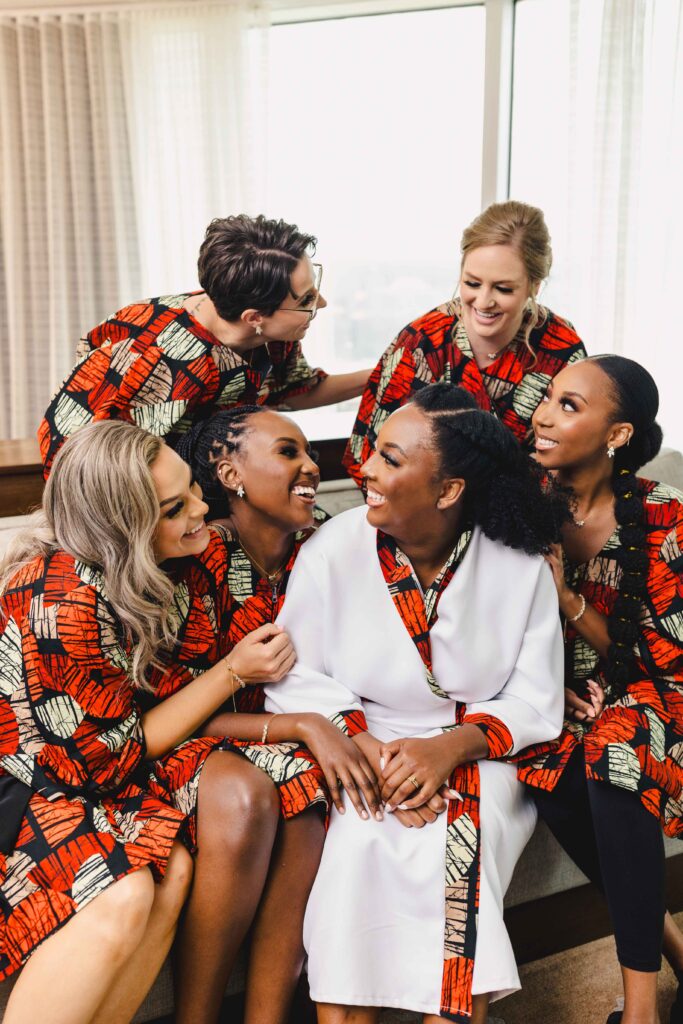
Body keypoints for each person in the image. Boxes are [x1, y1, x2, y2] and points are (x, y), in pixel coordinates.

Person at [0, 420, 377, 1024]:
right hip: (36, 784)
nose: (204, 508)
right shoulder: (64, 598)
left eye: (191, 490)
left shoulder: (168, 566)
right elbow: (110, 758)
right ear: (124, 529)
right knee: (131, 889)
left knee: (176, 869)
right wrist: (237, 676)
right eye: (177, 507)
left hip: (97, 764)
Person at [264, 383, 567, 1024]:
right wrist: (374, 755)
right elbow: (295, 676)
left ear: (449, 490)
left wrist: (445, 751)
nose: (365, 469)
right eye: (374, 451)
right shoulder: (332, 551)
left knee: (460, 856)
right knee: (357, 847)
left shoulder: (519, 564)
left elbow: (536, 698)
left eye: (391, 459)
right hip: (359, 743)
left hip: (478, 749)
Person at [164, 405, 380, 1024]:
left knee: (316, 788)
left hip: (299, 743)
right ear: (229, 473)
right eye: (289, 452)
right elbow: (163, 712)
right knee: (259, 790)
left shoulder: (327, 546)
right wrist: (304, 726)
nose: (312, 466)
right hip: (190, 740)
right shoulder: (192, 559)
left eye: (310, 452)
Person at [518, 355, 683, 1024]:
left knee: (612, 748)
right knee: (540, 760)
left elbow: (660, 656)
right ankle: (669, 940)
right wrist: (545, 692)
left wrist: (563, 596)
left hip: (657, 688)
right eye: (549, 398)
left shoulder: (664, 517)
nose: (543, 414)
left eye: (569, 405)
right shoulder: (517, 505)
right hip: (565, 693)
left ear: (615, 435)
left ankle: (637, 1012)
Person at [39, 214, 371, 475]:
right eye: (307, 299)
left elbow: (295, 390)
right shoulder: (156, 356)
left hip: (199, 477)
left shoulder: (274, 332)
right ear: (254, 316)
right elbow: (105, 464)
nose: (322, 304)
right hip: (124, 489)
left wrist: (382, 372)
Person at [344, 200, 587, 484]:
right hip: (424, 516)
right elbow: (370, 458)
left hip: (535, 515)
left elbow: (579, 454)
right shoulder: (422, 343)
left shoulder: (561, 345)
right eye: (472, 284)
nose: (483, 301)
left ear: (534, 286)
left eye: (503, 288)